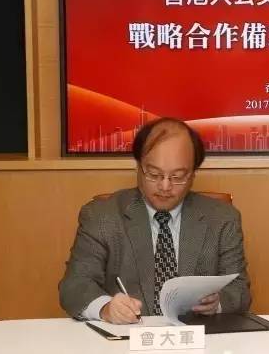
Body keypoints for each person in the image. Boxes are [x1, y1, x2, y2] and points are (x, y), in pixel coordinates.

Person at [59, 118, 251, 323]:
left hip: (196, 336)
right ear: (138, 167)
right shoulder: (102, 216)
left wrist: (218, 302)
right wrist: (105, 308)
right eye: (154, 174)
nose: (165, 186)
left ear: (193, 174)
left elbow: (239, 290)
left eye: (178, 176)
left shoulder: (222, 219)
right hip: (127, 336)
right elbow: (75, 285)